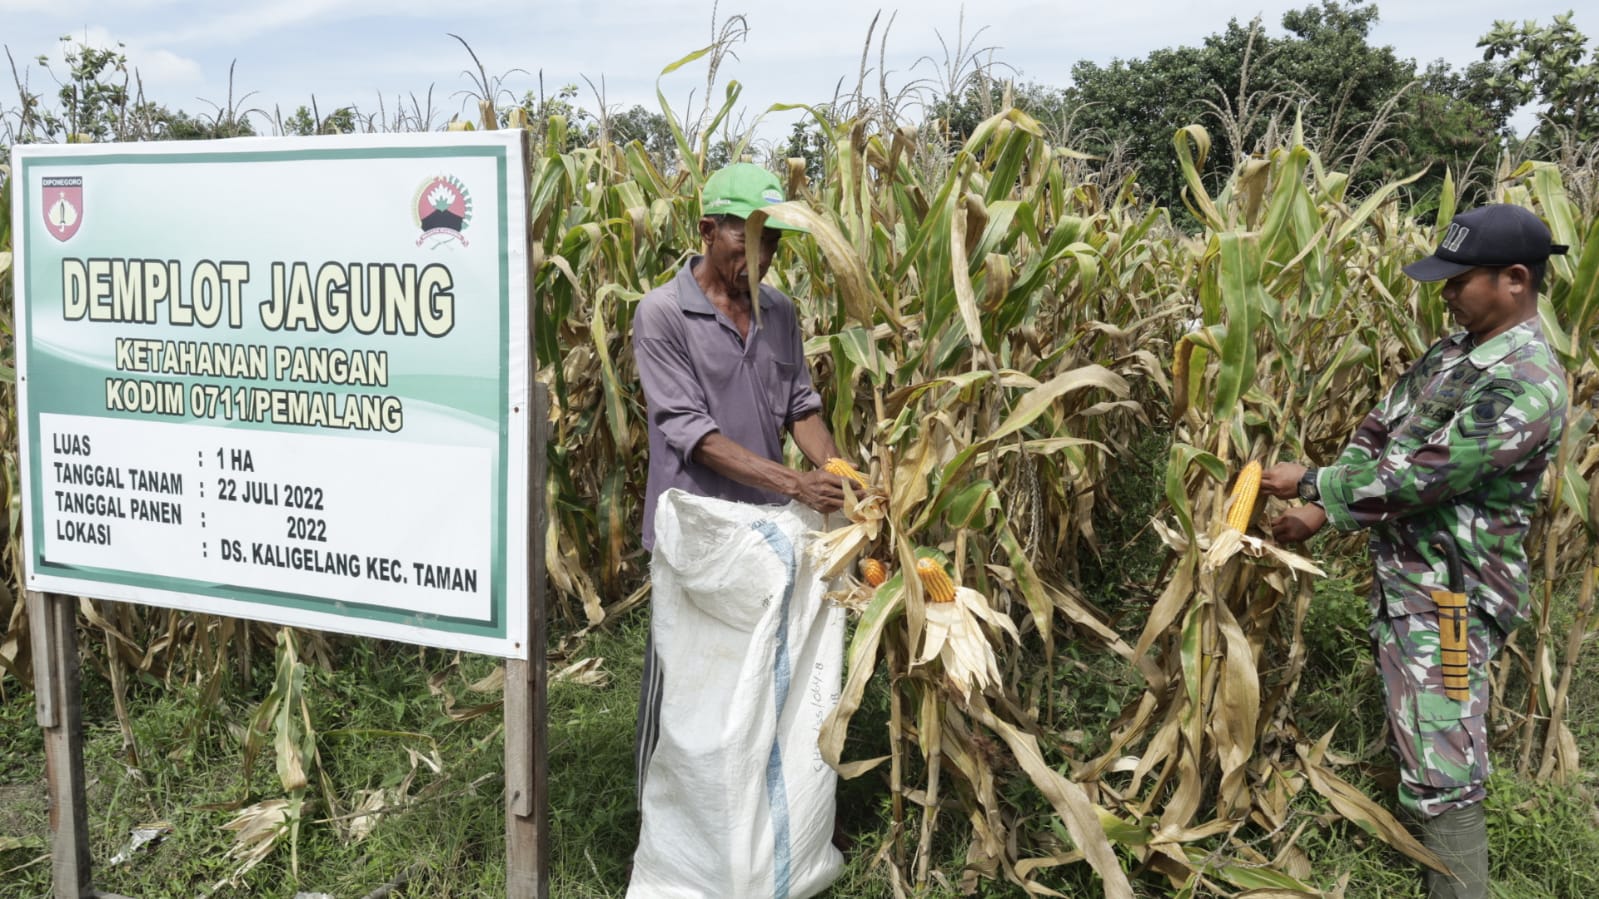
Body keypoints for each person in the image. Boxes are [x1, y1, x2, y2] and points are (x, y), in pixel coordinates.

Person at [1260, 204, 1568, 899]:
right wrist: (1317, 510)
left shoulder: (1523, 380)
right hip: (1412, 586)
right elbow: (1384, 430)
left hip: (1451, 599)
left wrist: (1310, 480)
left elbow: (1424, 472)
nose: (1445, 292)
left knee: (1444, 765)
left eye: (1459, 279)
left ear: (1514, 278)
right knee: (1424, 742)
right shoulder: (1457, 350)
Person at [630, 161, 847, 801]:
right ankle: (657, 815)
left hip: (768, 529)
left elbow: (800, 405)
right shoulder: (663, 314)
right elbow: (690, 431)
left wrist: (838, 476)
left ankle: (741, 812)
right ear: (706, 230)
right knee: (677, 686)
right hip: (695, 532)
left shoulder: (779, 312)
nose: (763, 256)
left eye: (773, 242)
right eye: (747, 240)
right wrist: (797, 485)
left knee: (752, 683)